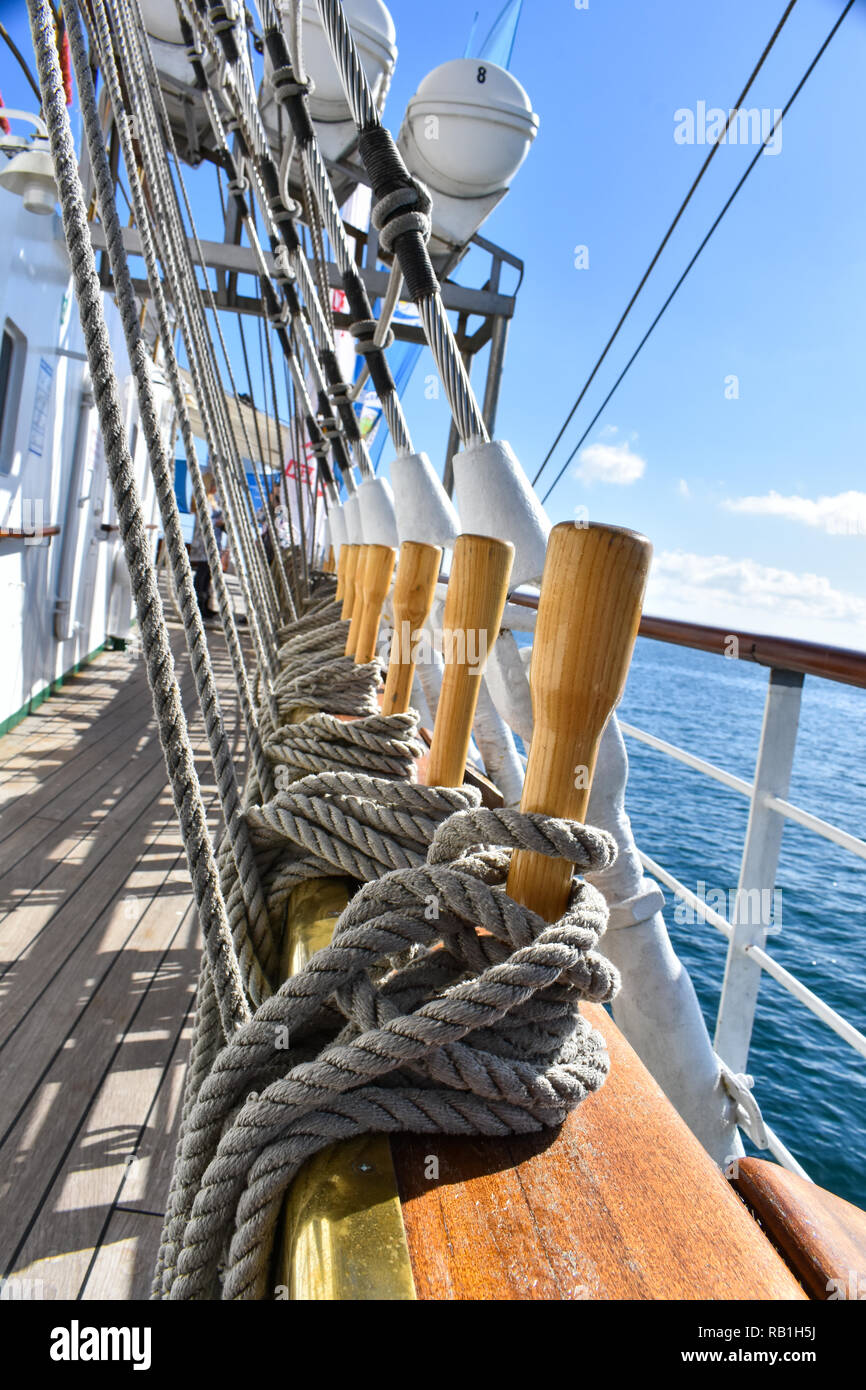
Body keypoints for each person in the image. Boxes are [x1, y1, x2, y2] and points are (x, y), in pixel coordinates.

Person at [189, 472, 220, 620]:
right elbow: (205, 521)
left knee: (207, 575)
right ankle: (198, 606)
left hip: (210, 543)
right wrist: (218, 521)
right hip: (203, 543)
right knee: (202, 574)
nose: (216, 488)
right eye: (215, 485)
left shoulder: (211, 500)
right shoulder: (202, 499)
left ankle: (205, 606)